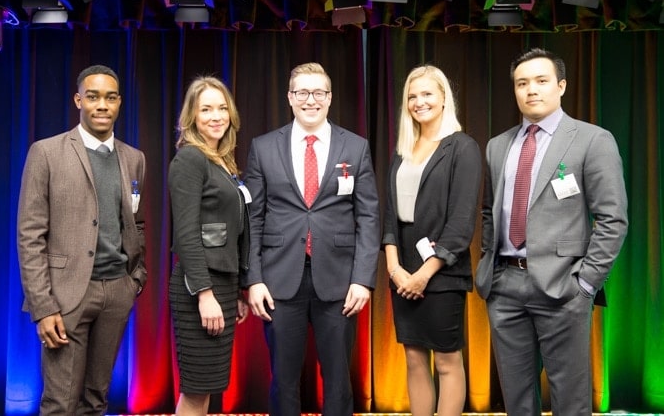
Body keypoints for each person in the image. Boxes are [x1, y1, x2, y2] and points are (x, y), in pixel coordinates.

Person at [475, 48, 628, 415]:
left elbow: (613, 219)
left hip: (563, 287)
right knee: (516, 400)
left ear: (561, 86)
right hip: (505, 287)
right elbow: (488, 211)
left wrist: (585, 284)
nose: (531, 90)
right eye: (522, 83)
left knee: (571, 400)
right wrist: (490, 271)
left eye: (541, 81)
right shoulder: (498, 146)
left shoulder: (592, 139)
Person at [244, 62, 380, 416]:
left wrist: (363, 279)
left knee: (337, 380)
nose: (310, 100)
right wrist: (254, 279)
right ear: (290, 97)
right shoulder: (263, 147)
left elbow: (368, 217)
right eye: (302, 92)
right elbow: (252, 218)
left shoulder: (356, 147)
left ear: (330, 97)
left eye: (318, 92)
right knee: (283, 380)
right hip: (278, 281)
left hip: (338, 282)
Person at [17, 64, 147, 414]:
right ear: (79, 100)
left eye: (110, 97)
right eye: (93, 97)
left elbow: (137, 222)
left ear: (119, 103)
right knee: (61, 402)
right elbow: (30, 236)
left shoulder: (134, 159)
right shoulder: (46, 152)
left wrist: (135, 279)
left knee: (96, 399)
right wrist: (43, 307)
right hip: (66, 296)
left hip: (117, 291)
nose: (101, 105)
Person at [382, 65, 481, 416]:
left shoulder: (462, 147)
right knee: (412, 357)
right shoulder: (403, 150)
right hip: (403, 270)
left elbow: (461, 222)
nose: (419, 102)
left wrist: (424, 274)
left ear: (443, 98)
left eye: (426, 94)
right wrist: (395, 269)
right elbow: (390, 215)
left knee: (447, 360)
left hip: (442, 271)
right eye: (412, 96)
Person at [168, 76, 250, 416]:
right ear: (191, 117)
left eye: (221, 108)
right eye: (206, 109)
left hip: (222, 286)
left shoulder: (222, 163)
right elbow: (186, 234)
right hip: (200, 288)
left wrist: (237, 292)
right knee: (197, 389)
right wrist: (204, 294)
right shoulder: (191, 160)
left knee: (207, 388)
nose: (216, 116)